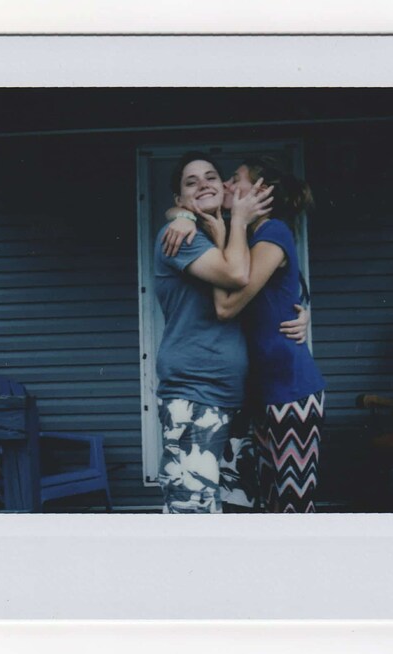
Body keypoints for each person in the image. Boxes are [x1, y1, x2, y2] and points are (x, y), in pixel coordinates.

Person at [163, 156, 326, 513]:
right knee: (263, 504)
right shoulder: (247, 236)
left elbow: (227, 306)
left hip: (289, 389)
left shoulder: (272, 232)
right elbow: (179, 210)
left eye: (233, 179)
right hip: (259, 392)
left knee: (292, 507)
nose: (223, 185)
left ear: (261, 192)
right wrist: (184, 216)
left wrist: (229, 228)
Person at [154, 151, 281, 514]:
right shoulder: (181, 236)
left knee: (233, 509)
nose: (203, 184)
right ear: (180, 198)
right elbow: (236, 275)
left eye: (211, 177)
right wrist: (182, 217)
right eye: (191, 182)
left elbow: (267, 281)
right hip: (195, 391)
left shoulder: (222, 233)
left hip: (233, 395)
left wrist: (299, 312)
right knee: (191, 510)